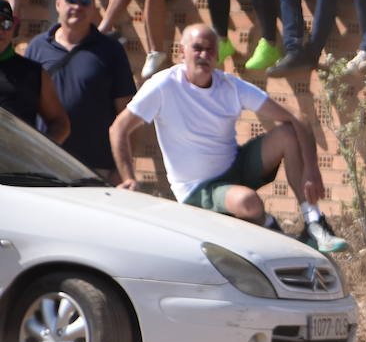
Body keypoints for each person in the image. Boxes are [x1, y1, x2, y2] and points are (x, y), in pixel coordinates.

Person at [109, 23, 348, 252]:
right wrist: (128, 177)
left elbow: (297, 118)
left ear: (217, 55)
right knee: (248, 201)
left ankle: (314, 222)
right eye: (197, 48)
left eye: (210, 49)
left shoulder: (230, 85)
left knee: (287, 133)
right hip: (198, 189)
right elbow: (118, 128)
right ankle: (276, 235)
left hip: (235, 167)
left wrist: (312, 169)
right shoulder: (163, 86)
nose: (204, 54)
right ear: (182, 52)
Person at [25, 0, 134, 180]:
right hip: (44, 164)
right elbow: (25, 105)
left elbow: (127, 115)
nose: (78, 6)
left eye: (85, 1)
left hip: (95, 168)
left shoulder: (111, 50)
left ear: (93, 8)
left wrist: (121, 171)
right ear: (58, 4)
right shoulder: (37, 47)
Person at [0, 0, 69, 142]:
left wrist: (43, 151)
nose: (1, 31)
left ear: (14, 27)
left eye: (5, 23)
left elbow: (60, 123)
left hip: (17, 162)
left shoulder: (33, 72)